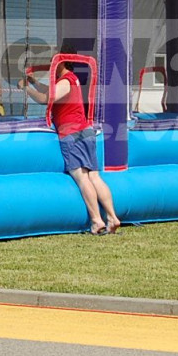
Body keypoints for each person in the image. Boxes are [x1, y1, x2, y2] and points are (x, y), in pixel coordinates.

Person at [20, 52, 121, 235]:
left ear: (61, 64)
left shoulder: (66, 81)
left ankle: (97, 220)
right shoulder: (71, 80)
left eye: (53, 63)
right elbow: (51, 91)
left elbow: (46, 99)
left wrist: (26, 88)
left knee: (82, 178)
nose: (51, 67)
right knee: (94, 177)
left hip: (72, 133)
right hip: (85, 131)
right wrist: (34, 82)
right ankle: (112, 217)